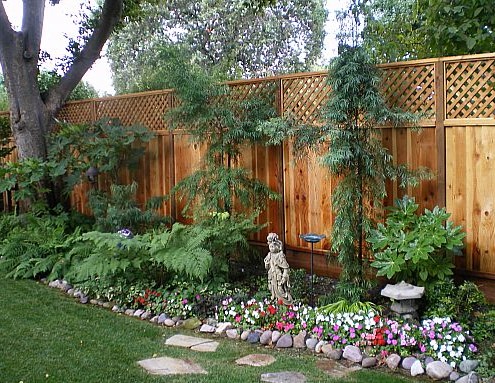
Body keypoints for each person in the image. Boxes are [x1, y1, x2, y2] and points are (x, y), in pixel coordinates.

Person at [264, 233, 293, 305]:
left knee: (280, 289)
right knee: (272, 287)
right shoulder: (269, 255)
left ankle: (285, 301)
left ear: (277, 246)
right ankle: (275, 300)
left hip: (278, 275)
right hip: (271, 274)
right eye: (270, 247)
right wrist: (267, 263)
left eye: (273, 246)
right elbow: (267, 267)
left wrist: (284, 277)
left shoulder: (280, 255)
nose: (271, 248)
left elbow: (286, 268)